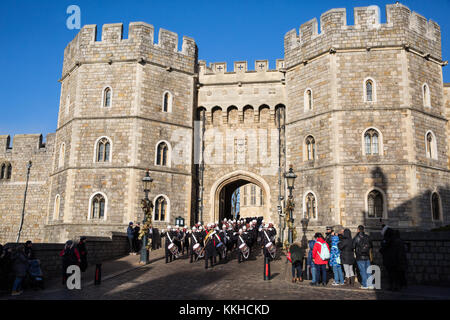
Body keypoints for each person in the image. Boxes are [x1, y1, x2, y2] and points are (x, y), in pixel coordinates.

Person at [353, 225, 373, 289]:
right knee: (368, 271)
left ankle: (365, 285)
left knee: (363, 271)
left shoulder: (356, 237)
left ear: (358, 230)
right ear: (363, 230)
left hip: (360, 257)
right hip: (367, 256)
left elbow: (353, 246)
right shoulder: (367, 237)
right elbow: (371, 246)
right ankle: (370, 284)